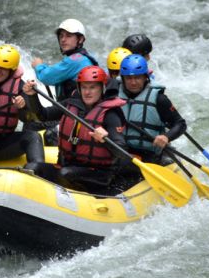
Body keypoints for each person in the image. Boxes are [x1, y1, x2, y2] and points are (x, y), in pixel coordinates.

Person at [23, 65, 141, 195]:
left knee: (66, 174)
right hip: (66, 165)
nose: (87, 92)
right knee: (32, 168)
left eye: (92, 87)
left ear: (102, 88)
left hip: (98, 175)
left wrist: (105, 139)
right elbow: (42, 115)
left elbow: (122, 150)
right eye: (84, 87)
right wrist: (32, 96)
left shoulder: (111, 113)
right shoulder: (71, 104)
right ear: (79, 88)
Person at [118, 54, 186, 165]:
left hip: (151, 155)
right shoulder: (114, 95)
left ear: (145, 77)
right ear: (123, 78)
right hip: (124, 152)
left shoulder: (159, 99)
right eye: (129, 78)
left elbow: (180, 124)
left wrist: (166, 137)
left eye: (137, 77)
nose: (133, 82)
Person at [31, 18, 99, 101]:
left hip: (76, 111)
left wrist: (38, 66)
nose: (63, 40)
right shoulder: (84, 58)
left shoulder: (75, 61)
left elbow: (46, 77)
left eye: (68, 36)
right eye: (61, 36)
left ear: (80, 39)